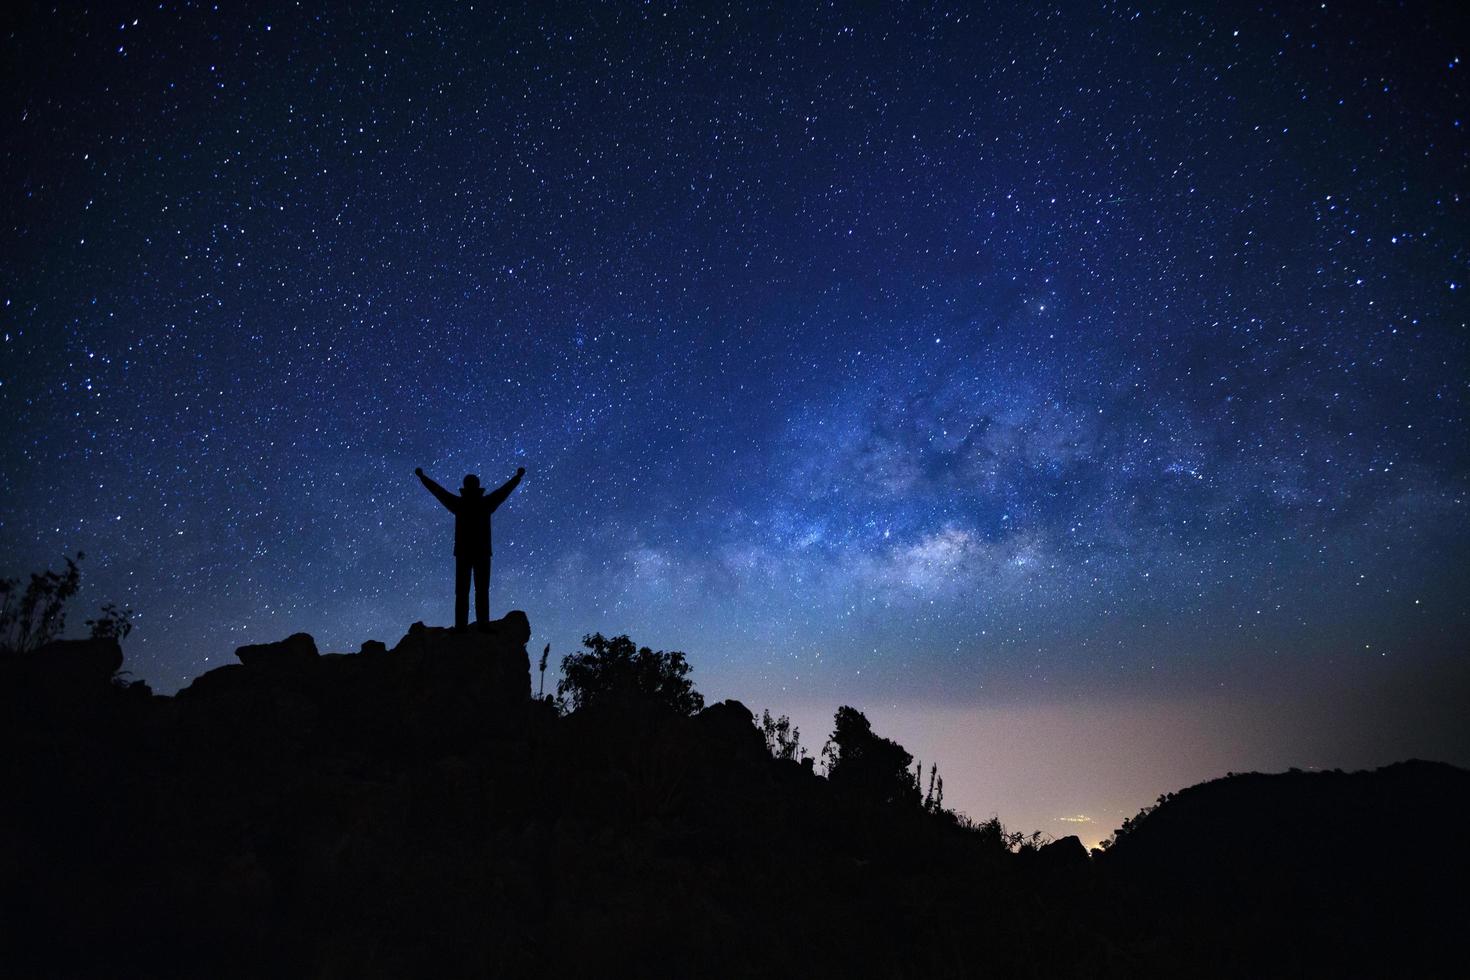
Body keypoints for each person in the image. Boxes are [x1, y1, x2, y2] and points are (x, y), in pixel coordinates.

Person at [415, 465, 525, 629]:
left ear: (465, 486)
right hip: (479, 552)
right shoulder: (485, 503)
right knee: (479, 591)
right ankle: (480, 625)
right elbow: (503, 491)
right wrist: (517, 478)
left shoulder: (460, 504)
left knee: (464, 591)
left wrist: (423, 478)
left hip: (465, 552)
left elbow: (439, 492)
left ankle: (463, 627)